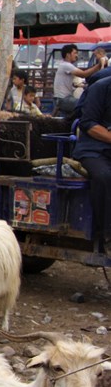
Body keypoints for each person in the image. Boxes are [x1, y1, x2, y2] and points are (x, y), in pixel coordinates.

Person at [72, 75, 111, 252]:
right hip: (93, 149)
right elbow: (88, 123)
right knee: (104, 176)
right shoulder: (101, 88)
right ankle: (106, 234)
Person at [54, 45, 102, 116]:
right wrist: (99, 65)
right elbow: (84, 74)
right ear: (68, 55)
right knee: (87, 106)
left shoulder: (65, 65)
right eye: (75, 53)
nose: (77, 55)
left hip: (63, 99)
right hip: (63, 99)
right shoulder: (66, 65)